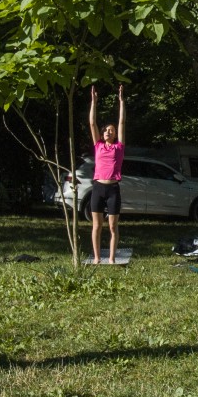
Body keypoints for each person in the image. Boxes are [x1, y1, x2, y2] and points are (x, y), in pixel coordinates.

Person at [88, 84, 126, 264]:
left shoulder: (119, 147)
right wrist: (94, 102)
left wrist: (121, 101)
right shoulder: (98, 145)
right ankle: (96, 258)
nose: (109, 131)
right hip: (98, 188)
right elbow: (92, 123)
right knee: (97, 226)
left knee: (112, 226)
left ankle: (111, 258)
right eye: (106, 130)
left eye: (111, 130)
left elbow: (122, 122)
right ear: (102, 134)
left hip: (113, 189)